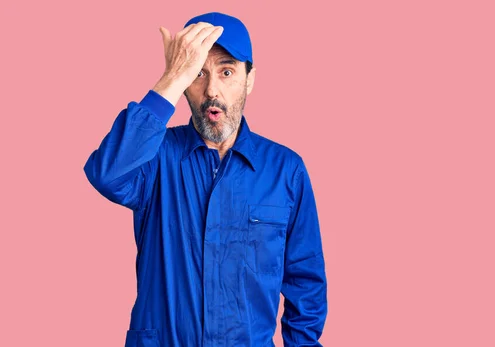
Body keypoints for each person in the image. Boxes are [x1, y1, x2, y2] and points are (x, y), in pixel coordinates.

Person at [83, 12, 327, 347]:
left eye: (227, 72)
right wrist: (171, 77)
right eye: (198, 73)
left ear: (249, 79)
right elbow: (107, 173)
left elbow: (306, 282)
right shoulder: (154, 156)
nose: (212, 90)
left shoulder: (286, 170)